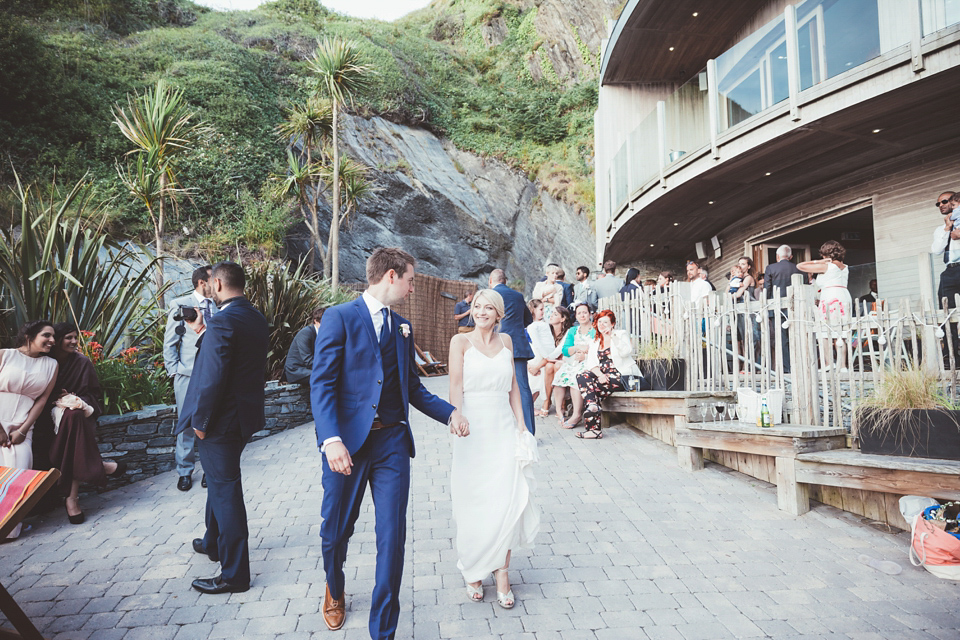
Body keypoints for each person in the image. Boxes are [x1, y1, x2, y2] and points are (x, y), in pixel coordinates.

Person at [312, 248, 468, 638]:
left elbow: (412, 388)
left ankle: (383, 630)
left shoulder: (403, 328)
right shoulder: (340, 318)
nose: (414, 288)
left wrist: (450, 414)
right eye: (412, 280)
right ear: (391, 276)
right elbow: (323, 384)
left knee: (392, 536)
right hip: (346, 445)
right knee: (335, 531)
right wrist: (331, 440)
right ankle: (334, 586)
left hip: (392, 444)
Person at [176, 261, 269, 595]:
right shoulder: (253, 317)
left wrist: (200, 424)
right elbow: (234, 360)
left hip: (219, 423)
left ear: (215, 284)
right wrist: (204, 332)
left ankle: (234, 574)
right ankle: (212, 542)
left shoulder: (225, 322)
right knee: (219, 482)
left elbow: (212, 378)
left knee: (226, 491)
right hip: (243, 418)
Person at [448, 288, 539, 609]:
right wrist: (455, 415)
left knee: (506, 500)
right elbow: (456, 385)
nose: (482, 311)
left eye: (489, 307)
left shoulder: (508, 343)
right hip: (472, 431)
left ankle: (502, 573)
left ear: (499, 314)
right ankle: (473, 569)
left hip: (502, 429)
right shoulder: (460, 342)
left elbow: (514, 387)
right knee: (473, 501)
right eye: (477, 306)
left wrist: (522, 425)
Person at [40, 323, 127, 525]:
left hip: (79, 415)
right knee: (73, 422)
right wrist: (57, 397)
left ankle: (72, 499)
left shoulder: (82, 362)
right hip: (45, 417)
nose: (73, 342)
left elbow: (94, 394)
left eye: (75, 337)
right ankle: (98, 467)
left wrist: (75, 398)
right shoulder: (45, 361)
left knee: (74, 416)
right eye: (68, 338)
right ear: (58, 340)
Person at [1, 321, 58, 539]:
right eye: (46, 335)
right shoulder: (5, 355)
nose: (52, 341)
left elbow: (42, 401)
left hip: (22, 427)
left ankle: (8, 532)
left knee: (19, 475)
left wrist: (23, 430)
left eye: (53, 337)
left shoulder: (51, 365)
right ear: (28, 336)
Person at [163, 264, 215, 492]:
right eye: (213, 280)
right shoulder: (180, 305)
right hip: (186, 375)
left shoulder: (218, 306)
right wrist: (175, 370)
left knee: (210, 423)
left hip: (212, 375)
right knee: (186, 424)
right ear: (202, 282)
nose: (217, 283)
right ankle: (184, 471)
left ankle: (208, 470)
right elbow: (170, 343)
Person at [575, 310, 646, 440]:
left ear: (612, 324)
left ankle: (594, 430)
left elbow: (626, 352)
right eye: (600, 322)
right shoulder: (595, 341)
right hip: (603, 376)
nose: (602, 325)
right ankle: (593, 406)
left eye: (606, 322)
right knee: (582, 375)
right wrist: (600, 375)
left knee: (590, 390)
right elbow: (591, 364)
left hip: (622, 376)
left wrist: (612, 336)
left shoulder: (620, 334)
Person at [489, 269, 536, 435]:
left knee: (495, 387)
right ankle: (529, 431)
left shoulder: (489, 295)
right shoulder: (517, 296)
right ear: (505, 281)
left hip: (495, 345)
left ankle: (500, 431)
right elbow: (528, 320)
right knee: (523, 388)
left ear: (490, 280)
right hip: (517, 345)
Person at [799, 241, 851, 372]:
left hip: (830, 297)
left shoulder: (827, 266)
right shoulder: (845, 266)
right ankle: (842, 365)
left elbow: (801, 266)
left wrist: (820, 262)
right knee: (840, 332)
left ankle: (829, 363)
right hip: (843, 296)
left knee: (825, 331)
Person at [764, 244, 805, 373]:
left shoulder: (771, 268)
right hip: (797, 307)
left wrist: (767, 308)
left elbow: (767, 289)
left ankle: (787, 368)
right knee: (798, 336)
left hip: (778, 308)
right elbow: (805, 287)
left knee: (782, 338)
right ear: (791, 256)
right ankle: (800, 364)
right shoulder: (799, 268)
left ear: (777, 256)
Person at [552, 303, 595, 428]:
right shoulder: (572, 331)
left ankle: (576, 414)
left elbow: (596, 348)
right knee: (560, 375)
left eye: (585, 312)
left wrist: (585, 355)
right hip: (574, 361)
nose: (582, 315)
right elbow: (565, 350)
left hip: (588, 362)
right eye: (579, 313)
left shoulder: (595, 330)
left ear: (590, 314)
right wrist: (577, 348)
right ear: (576, 316)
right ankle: (559, 412)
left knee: (576, 378)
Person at [527, 305, 571, 418]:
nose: (551, 316)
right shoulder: (546, 330)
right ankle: (547, 400)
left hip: (564, 361)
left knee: (553, 366)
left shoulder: (568, 332)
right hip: (549, 362)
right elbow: (539, 350)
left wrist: (537, 366)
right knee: (549, 367)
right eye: (551, 313)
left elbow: (557, 353)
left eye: (555, 314)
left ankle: (560, 402)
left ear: (563, 319)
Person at [932, 190, 960, 362]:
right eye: (938, 204)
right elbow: (936, 250)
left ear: (954, 201)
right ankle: (952, 356)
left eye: (943, 201)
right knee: (947, 313)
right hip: (950, 271)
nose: (940, 206)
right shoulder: (939, 229)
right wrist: (947, 228)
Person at [285, 308, 324, 385]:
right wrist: (325, 369)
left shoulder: (322, 335)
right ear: (316, 321)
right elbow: (308, 360)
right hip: (296, 371)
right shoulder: (305, 333)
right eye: (325, 322)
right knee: (324, 376)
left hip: (307, 369)